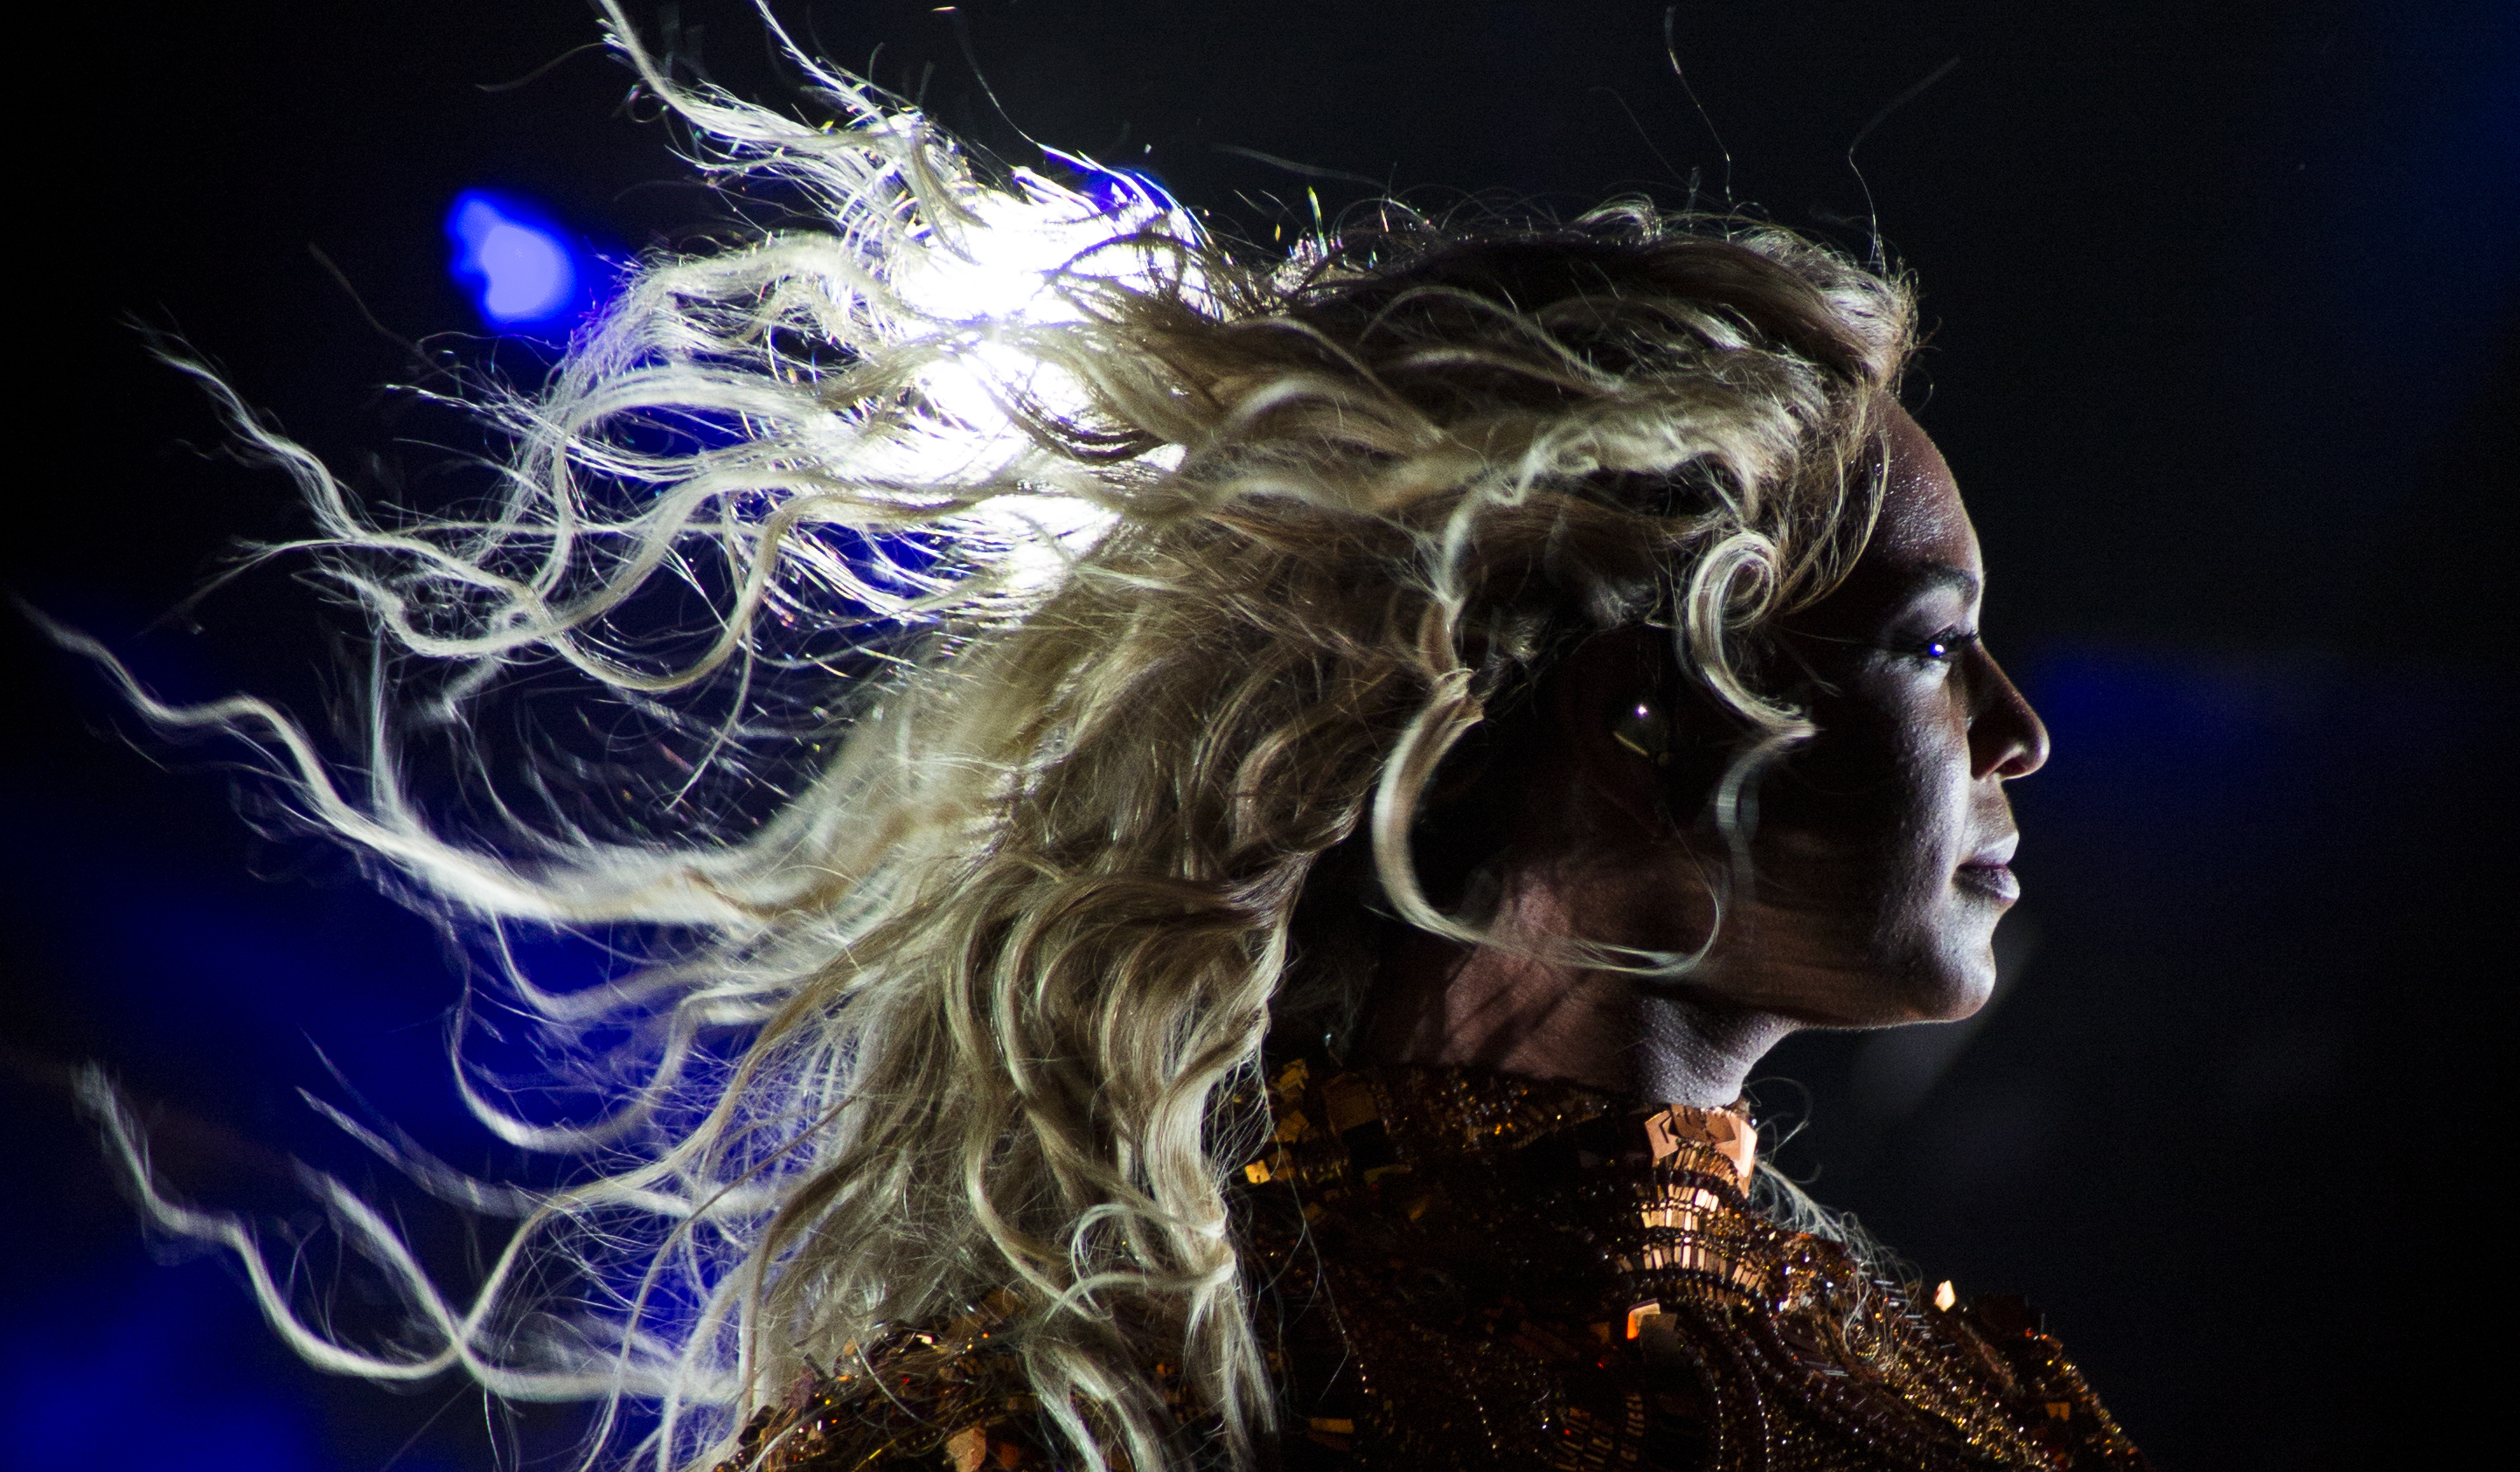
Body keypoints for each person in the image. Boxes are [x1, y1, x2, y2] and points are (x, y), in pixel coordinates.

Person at [75, 10, 2146, 1470]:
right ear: (1638, 713)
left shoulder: (1960, 1386)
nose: (2021, 734)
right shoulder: (1092, 1421)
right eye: (1933, 645)